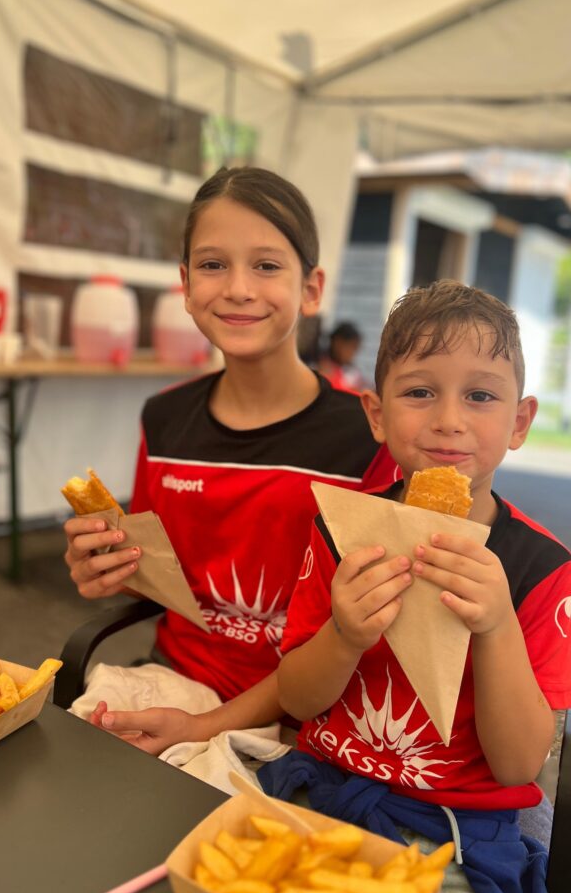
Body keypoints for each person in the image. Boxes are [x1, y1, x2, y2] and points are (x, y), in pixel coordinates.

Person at [260, 281, 571, 893]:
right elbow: (297, 698)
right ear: (376, 415)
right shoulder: (341, 530)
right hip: (323, 792)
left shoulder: (540, 567)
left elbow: (520, 764)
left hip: (452, 833)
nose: (448, 420)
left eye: (481, 395)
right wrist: (344, 636)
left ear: (520, 422)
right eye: (420, 391)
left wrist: (496, 626)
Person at [63, 166, 396, 755]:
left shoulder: (369, 438)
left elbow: (370, 634)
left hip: (313, 715)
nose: (238, 288)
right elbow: (153, 573)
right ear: (187, 285)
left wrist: (206, 728)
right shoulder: (164, 419)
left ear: (312, 288)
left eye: (267, 265)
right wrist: (104, 568)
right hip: (175, 681)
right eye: (214, 265)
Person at [317, 320, 366, 393]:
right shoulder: (322, 368)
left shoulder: (351, 370)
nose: (352, 353)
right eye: (351, 347)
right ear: (337, 343)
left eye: (355, 349)